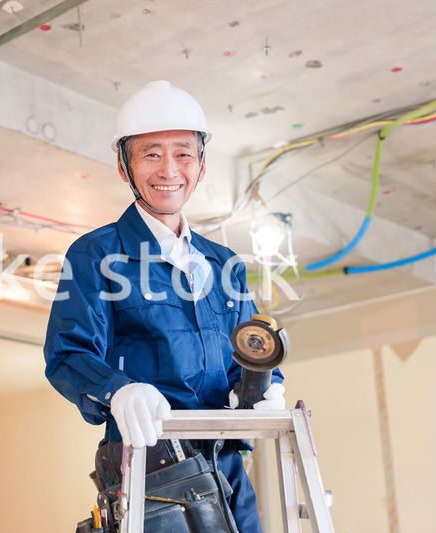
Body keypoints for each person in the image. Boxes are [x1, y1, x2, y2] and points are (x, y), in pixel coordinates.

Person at [43, 80, 285, 532]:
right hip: (151, 470)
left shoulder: (223, 263)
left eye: (183, 154)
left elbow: (247, 351)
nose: (169, 169)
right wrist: (118, 390)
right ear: (124, 167)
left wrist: (264, 388)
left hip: (227, 466)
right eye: (151, 154)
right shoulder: (96, 254)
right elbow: (67, 355)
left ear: (202, 165)